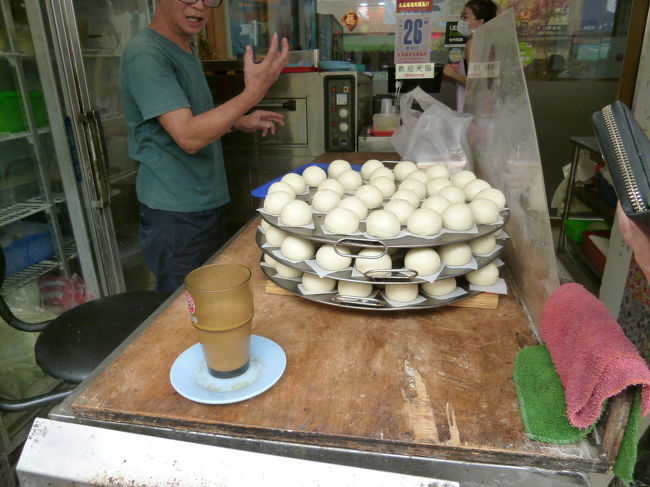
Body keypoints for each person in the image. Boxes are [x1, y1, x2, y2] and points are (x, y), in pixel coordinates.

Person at [120, 0, 289, 292]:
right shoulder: (147, 54)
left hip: (203, 202)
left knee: (209, 298)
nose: (200, 6)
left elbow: (190, 118)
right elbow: (187, 136)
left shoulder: (185, 46)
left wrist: (238, 120)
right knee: (181, 311)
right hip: (175, 214)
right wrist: (251, 94)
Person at [442, 0, 497, 112]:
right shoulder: (487, 45)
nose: (460, 22)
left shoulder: (472, 45)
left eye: (465, 17)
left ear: (479, 23)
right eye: (460, 17)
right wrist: (454, 78)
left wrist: (452, 74)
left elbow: (476, 84)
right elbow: (482, 80)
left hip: (472, 110)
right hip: (485, 108)